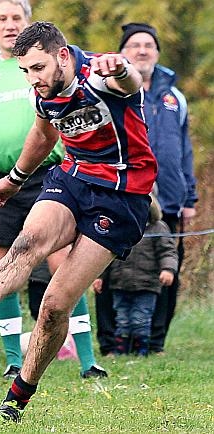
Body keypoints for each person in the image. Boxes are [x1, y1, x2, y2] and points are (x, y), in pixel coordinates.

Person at [0, 21, 157, 423]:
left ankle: (18, 396)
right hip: (75, 177)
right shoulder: (44, 93)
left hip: (121, 197)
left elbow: (132, 83)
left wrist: (120, 68)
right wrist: (13, 181)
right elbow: (43, 135)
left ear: (63, 56)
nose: (32, 79)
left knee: (53, 305)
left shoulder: (101, 77)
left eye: (38, 68)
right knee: (27, 241)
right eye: (25, 71)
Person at [0, 0, 105, 379]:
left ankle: (88, 360)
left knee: (65, 264)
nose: (8, 25)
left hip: (51, 174)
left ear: (28, 25)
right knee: (5, 261)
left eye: (15, 18)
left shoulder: (57, 70)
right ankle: (12, 359)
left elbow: (49, 129)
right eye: (1, 19)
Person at [95, 23, 199, 355]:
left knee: (166, 270)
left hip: (167, 201)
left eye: (149, 45)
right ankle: (112, 343)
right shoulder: (108, 89)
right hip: (121, 195)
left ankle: (154, 343)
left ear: (156, 52)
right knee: (107, 266)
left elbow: (184, 149)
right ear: (122, 53)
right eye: (135, 45)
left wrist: (190, 196)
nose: (142, 50)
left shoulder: (174, 97)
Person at [93, 190, 178, 356]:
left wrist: (168, 269)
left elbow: (168, 252)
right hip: (120, 283)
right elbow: (105, 254)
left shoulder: (158, 228)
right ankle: (120, 350)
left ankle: (142, 349)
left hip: (147, 284)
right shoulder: (118, 228)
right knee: (122, 318)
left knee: (141, 318)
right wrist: (99, 276)